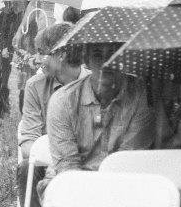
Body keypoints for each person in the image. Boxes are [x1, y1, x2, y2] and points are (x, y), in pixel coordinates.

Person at [40, 43, 155, 194]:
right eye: (98, 55)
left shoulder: (139, 93)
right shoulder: (63, 101)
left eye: (115, 54)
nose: (107, 62)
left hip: (121, 185)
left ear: (125, 58)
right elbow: (68, 167)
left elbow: (128, 160)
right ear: (86, 60)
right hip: (72, 184)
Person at [16, 23, 87, 207]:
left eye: (42, 53)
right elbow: (27, 146)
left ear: (60, 55)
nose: (37, 59)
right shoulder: (35, 86)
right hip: (48, 160)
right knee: (26, 169)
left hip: (87, 158)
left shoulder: (93, 82)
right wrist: (57, 158)